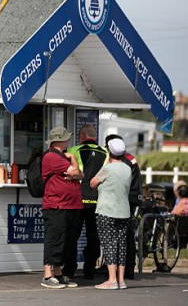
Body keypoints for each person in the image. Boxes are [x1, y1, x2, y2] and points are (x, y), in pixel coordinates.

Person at [41, 127, 84, 289]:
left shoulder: (60, 157)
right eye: (66, 138)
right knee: (54, 239)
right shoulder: (52, 156)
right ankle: (47, 275)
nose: (68, 141)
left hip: (70, 205)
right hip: (57, 205)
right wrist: (73, 158)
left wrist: (74, 170)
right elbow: (75, 171)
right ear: (58, 140)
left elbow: (81, 175)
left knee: (66, 241)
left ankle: (58, 274)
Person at [64, 124, 107, 280]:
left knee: (72, 236)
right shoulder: (106, 152)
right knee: (93, 236)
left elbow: (67, 171)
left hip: (78, 199)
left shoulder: (73, 150)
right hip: (97, 200)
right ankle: (89, 270)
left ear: (82, 135)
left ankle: (69, 270)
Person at [90, 138, 131, 290]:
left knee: (109, 245)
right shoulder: (127, 168)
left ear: (109, 152)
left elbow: (92, 183)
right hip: (124, 211)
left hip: (107, 210)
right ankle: (121, 280)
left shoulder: (107, 168)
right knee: (121, 245)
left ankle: (112, 280)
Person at [104, 133, 143, 280]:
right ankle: (128, 269)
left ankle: (123, 269)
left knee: (120, 235)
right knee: (126, 235)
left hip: (124, 199)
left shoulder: (122, 161)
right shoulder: (129, 158)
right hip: (132, 198)